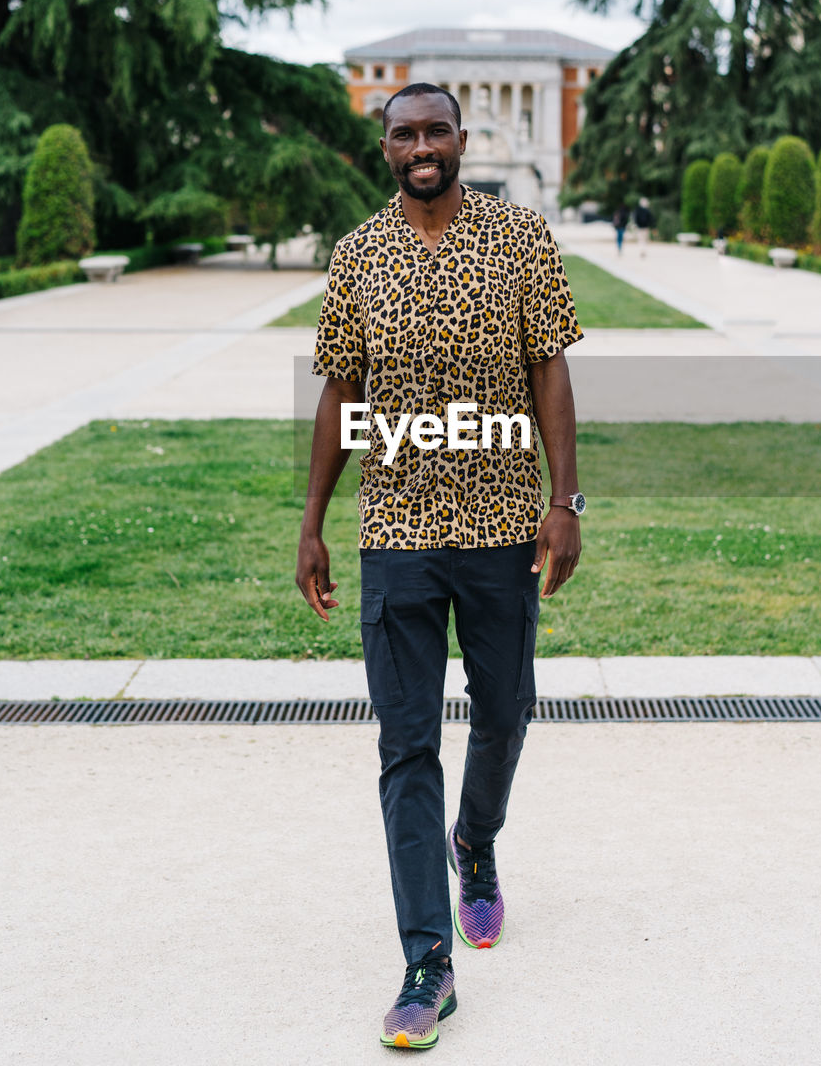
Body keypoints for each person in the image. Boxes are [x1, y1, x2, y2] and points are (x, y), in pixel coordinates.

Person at [296, 83, 584, 1050]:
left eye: (435, 131)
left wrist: (563, 501)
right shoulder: (357, 257)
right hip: (398, 531)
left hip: (503, 520)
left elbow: (550, 366)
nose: (420, 146)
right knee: (405, 745)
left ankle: (478, 842)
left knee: (505, 712)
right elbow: (341, 389)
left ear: (460, 139)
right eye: (403, 134)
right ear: (384, 148)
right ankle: (426, 962)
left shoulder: (520, 238)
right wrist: (312, 523)